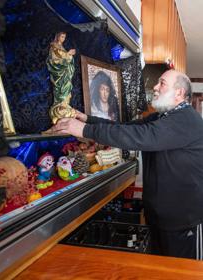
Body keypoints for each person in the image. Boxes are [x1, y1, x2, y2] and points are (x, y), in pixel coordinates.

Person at [52, 69, 203, 260]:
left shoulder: (186, 119)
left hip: (182, 219)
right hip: (159, 215)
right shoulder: (162, 117)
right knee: (158, 270)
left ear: (179, 92)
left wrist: (85, 130)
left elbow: (140, 137)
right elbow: (127, 128)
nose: (155, 87)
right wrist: (89, 120)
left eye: (162, 83)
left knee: (182, 273)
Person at [46, 32, 76, 124]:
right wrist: (68, 54)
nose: (63, 39)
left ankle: (65, 104)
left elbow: (67, 59)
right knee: (60, 88)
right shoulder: (54, 46)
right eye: (62, 36)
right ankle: (60, 106)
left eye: (64, 37)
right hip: (59, 74)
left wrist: (69, 56)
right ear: (58, 37)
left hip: (66, 73)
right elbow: (54, 60)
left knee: (67, 86)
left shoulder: (62, 48)